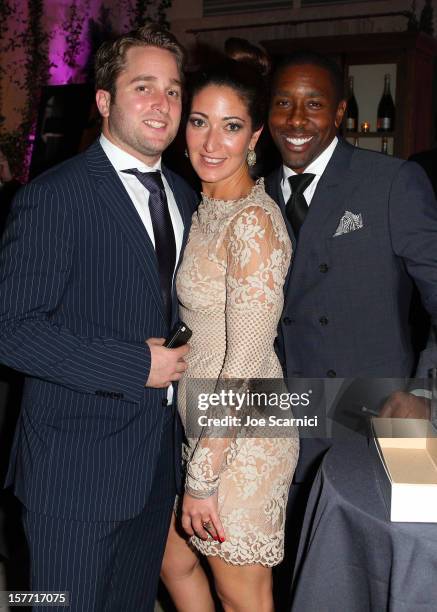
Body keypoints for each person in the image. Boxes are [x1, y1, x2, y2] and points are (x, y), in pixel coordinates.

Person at [0, 23, 197, 611]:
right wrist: (137, 364)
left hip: (153, 467)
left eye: (172, 90)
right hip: (72, 473)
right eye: (143, 87)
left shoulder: (185, 196)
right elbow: (10, 329)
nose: (162, 104)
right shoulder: (53, 197)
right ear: (105, 101)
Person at [265, 50, 437, 586]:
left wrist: (428, 391)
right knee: (302, 571)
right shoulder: (249, 191)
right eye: (283, 104)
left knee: (412, 560)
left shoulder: (391, 181)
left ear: (339, 112)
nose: (296, 120)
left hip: (388, 413)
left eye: (313, 104)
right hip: (283, 418)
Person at [160, 59, 299, 612]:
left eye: (231, 125)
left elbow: (242, 359)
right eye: (198, 122)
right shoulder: (208, 207)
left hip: (240, 435)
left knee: (242, 596)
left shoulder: (251, 225)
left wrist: (204, 472)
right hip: (204, 425)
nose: (212, 141)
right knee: (173, 559)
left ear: (256, 135)